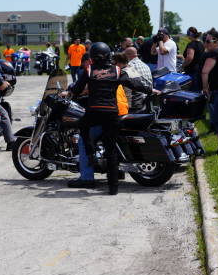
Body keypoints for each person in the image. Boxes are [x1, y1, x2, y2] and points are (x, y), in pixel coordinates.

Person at [66, 42, 154, 195]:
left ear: (92, 56)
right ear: (108, 55)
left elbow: (77, 88)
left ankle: (90, 155)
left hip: (94, 112)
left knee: (82, 127)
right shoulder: (117, 70)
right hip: (111, 113)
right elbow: (133, 83)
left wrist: (70, 94)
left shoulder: (89, 70)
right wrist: (151, 89)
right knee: (111, 150)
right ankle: (113, 188)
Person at [123, 47, 153, 112]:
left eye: (124, 55)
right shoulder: (145, 65)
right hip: (147, 99)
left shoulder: (129, 66)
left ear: (128, 55)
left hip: (135, 102)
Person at [181, 27, 205, 92]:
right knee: (198, 92)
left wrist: (182, 66)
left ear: (190, 34)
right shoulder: (201, 44)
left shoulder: (192, 44)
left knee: (192, 93)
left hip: (192, 72)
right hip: (200, 71)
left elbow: (190, 58)